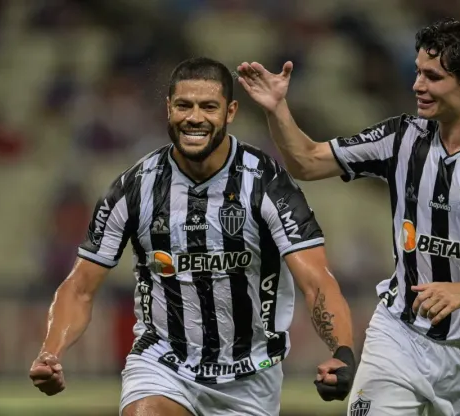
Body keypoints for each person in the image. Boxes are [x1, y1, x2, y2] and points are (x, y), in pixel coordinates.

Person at [236, 18, 460, 416]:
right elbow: (306, 161)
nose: (417, 86)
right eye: (417, 73)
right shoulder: (402, 137)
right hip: (399, 335)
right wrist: (277, 109)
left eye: (432, 76)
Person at [28, 57, 357, 416]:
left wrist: (341, 351)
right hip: (163, 364)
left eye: (208, 107)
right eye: (184, 105)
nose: (195, 117)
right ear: (169, 109)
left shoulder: (267, 183)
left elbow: (317, 281)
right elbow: (80, 286)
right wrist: (50, 352)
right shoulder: (134, 188)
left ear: (230, 112)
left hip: (250, 377)